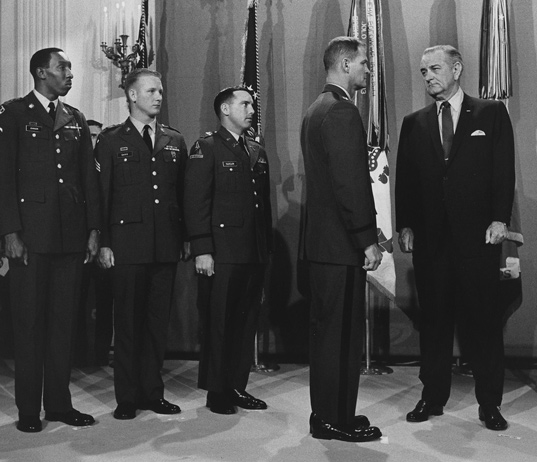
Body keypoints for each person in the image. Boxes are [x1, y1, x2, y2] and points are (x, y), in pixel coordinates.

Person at [395, 45, 515, 431]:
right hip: (431, 243)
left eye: (434, 68)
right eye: (423, 70)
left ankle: (490, 404)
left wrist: (499, 218)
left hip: (478, 240)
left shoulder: (491, 113)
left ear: (457, 69)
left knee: (482, 322)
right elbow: (407, 180)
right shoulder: (414, 122)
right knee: (434, 324)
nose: (427, 76)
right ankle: (432, 397)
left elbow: (502, 170)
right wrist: (405, 224)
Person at [0, 47, 101, 432]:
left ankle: (58, 404)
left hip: (70, 237)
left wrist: (93, 230)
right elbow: (4, 176)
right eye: (63, 67)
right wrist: (9, 231)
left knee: (63, 324)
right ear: (42, 73)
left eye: (71, 67)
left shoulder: (73, 117)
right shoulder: (12, 114)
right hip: (30, 237)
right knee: (28, 325)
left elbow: (87, 179)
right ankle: (28, 410)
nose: (70, 74)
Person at [299, 36, 382, 443]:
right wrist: (367, 239)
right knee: (339, 337)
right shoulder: (342, 111)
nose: (368, 69)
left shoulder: (317, 109)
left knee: (332, 336)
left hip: (324, 247)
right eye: (364, 63)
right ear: (345, 64)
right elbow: (349, 184)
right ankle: (331, 419)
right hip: (340, 247)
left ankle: (335, 414)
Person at [95, 68, 188, 420]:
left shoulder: (174, 140)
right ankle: (127, 397)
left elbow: (181, 195)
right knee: (129, 325)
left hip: (164, 245)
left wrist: (184, 239)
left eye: (161, 91)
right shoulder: (111, 140)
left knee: (155, 324)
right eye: (151, 91)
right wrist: (104, 242)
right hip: (127, 245)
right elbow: (103, 197)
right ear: (132, 96)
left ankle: (153, 392)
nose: (159, 96)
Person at [184, 86, 272, 415]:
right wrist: (202, 249)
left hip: (252, 252)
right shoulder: (206, 148)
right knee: (219, 323)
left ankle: (236, 386)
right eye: (244, 104)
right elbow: (195, 202)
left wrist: (266, 250)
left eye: (252, 104)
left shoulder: (255, 149)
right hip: (221, 253)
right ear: (224, 109)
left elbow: (262, 206)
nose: (251, 109)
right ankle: (217, 391)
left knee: (245, 323)